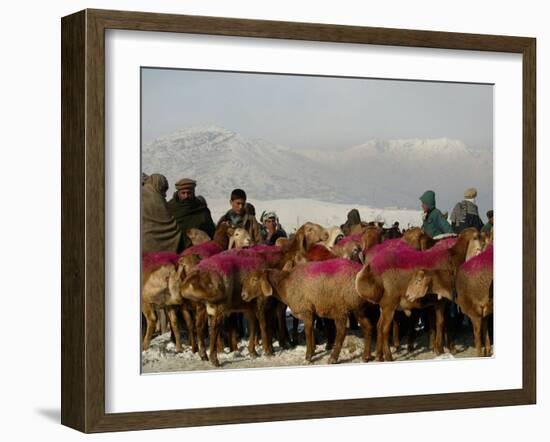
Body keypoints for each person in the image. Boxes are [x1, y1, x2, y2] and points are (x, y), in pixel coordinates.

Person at [166, 178, 216, 249]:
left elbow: (210, 232)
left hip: (198, 250)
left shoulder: (202, 209)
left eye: (189, 193)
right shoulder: (169, 208)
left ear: (193, 192)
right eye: (183, 193)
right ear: (178, 192)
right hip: (174, 250)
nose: (186, 196)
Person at [141, 173, 183, 253]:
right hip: (161, 252)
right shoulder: (158, 199)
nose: (165, 194)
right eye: (163, 190)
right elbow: (170, 226)